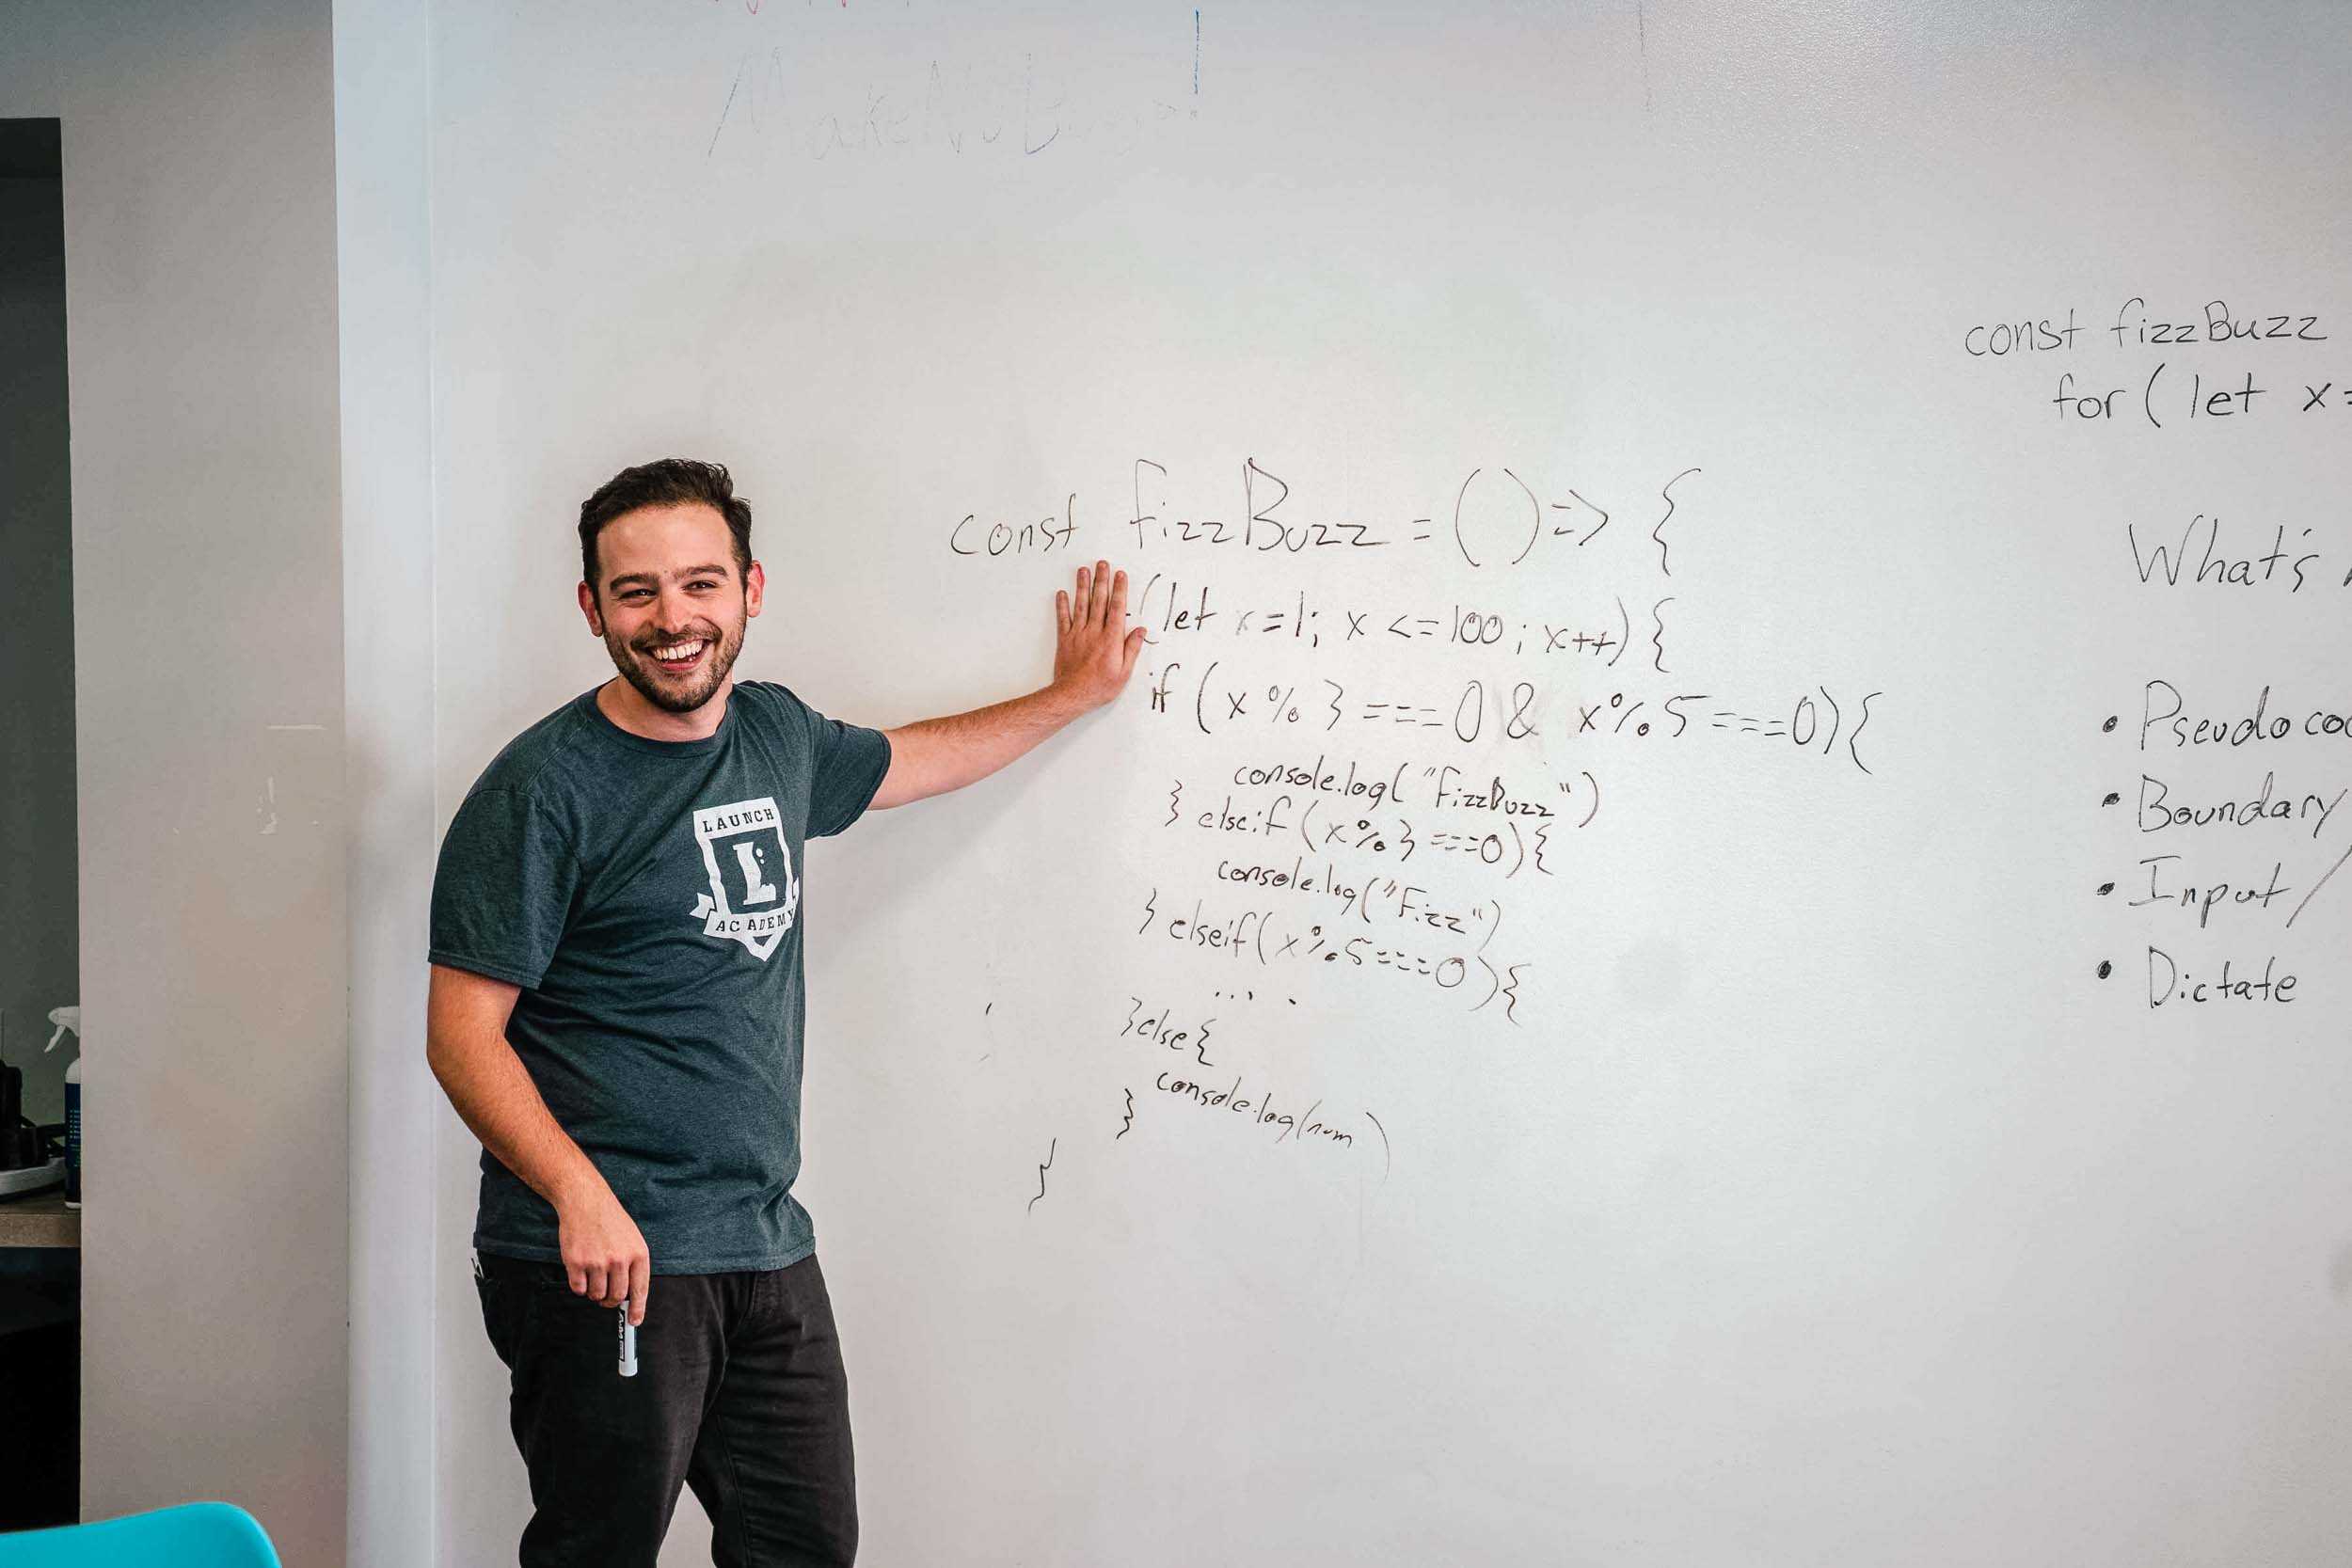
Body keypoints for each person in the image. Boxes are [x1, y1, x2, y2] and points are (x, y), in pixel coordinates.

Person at [426, 457, 1143, 1566]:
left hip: (761, 1240)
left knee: (804, 1545)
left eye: (700, 584)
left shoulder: (776, 738)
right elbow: (460, 1036)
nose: (674, 618)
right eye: (637, 591)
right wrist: (580, 1193)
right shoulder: (542, 788)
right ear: (591, 609)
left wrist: (1072, 695)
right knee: (596, 1551)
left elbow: (918, 758)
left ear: (750, 590)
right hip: (601, 1257)